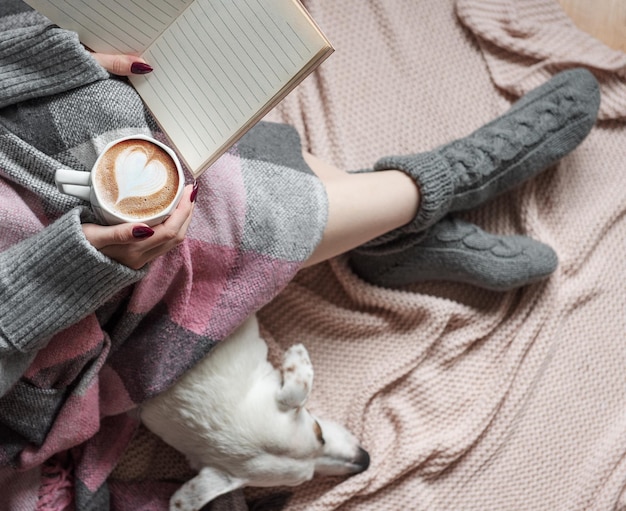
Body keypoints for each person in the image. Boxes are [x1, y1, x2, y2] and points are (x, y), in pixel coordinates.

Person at [0, 1, 600, 509]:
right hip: (35, 304)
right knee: (186, 204)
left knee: (136, 119)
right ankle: (439, 185)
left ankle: (385, 233)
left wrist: (24, 63)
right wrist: (65, 274)